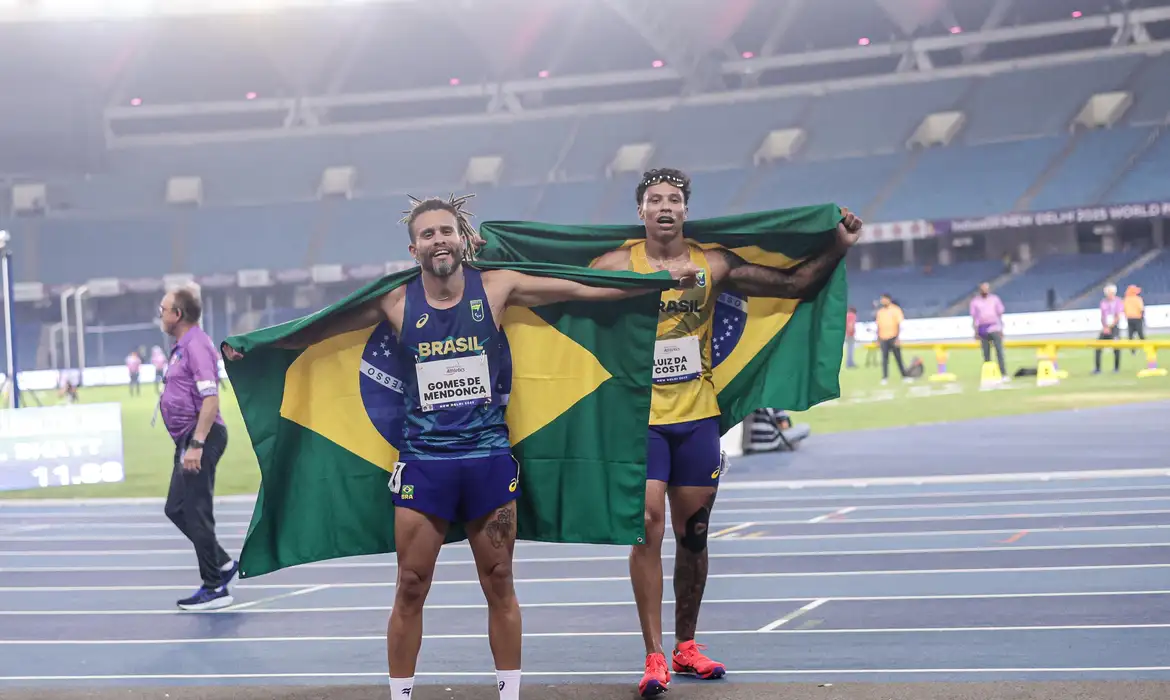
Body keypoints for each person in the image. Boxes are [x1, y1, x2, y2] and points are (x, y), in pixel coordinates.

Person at [224, 195, 698, 700]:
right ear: (414, 249)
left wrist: (657, 282)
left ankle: (509, 694)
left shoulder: (496, 287)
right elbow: (320, 327)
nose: (438, 241)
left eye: (445, 231)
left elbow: (582, 287)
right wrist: (256, 347)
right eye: (427, 234)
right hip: (424, 464)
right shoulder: (397, 301)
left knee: (499, 580)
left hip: (487, 460)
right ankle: (401, 696)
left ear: (462, 238)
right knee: (410, 585)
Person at [535, 168, 860, 697]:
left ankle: (686, 646)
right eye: (655, 199)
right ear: (641, 211)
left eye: (674, 199)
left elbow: (795, 285)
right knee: (647, 525)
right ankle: (653, 655)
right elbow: (552, 291)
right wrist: (488, 263)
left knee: (695, 534)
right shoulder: (616, 265)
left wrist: (838, 246)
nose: (665, 206)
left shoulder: (714, 264)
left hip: (696, 417)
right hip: (639, 419)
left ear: (686, 210)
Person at [157, 287, 238, 611]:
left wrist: (197, 443)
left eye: (163, 309)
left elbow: (211, 398)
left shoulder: (196, 345)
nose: (160, 315)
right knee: (176, 508)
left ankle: (215, 587)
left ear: (177, 314)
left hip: (200, 437)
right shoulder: (182, 347)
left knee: (196, 510)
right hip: (188, 438)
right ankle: (222, 563)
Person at [970, 282, 1008, 379]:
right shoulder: (975, 302)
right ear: (980, 290)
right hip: (982, 328)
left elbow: (999, 314)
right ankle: (988, 374)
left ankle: (1003, 373)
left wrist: (1001, 329)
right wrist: (976, 331)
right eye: (983, 289)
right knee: (986, 353)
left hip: (994, 327)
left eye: (986, 289)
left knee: (999, 351)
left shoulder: (995, 299)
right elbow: (974, 318)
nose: (985, 291)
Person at [875, 293, 908, 385]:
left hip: (893, 337)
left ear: (888, 299)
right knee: (884, 359)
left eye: (883, 299)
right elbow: (878, 325)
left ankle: (904, 376)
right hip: (883, 338)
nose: (882, 301)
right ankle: (885, 377)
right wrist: (878, 338)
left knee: (898, 358)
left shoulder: (896, 310)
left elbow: (899, 324)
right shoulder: (880, 312)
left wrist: (897, 338)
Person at [1095, 284, 1124, 374]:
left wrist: (1110, 326)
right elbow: (1102, 316)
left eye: (1110, 293)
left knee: (1116, 347)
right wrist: (1105, 327)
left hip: (1114, 327)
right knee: (1098, 347)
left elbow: (1118, 316)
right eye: (1107, 293)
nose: (1108, 295)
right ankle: (1097, 368)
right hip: (1105, 327)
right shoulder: (1103, 302)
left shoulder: (1118, 301)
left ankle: (1116, 368)